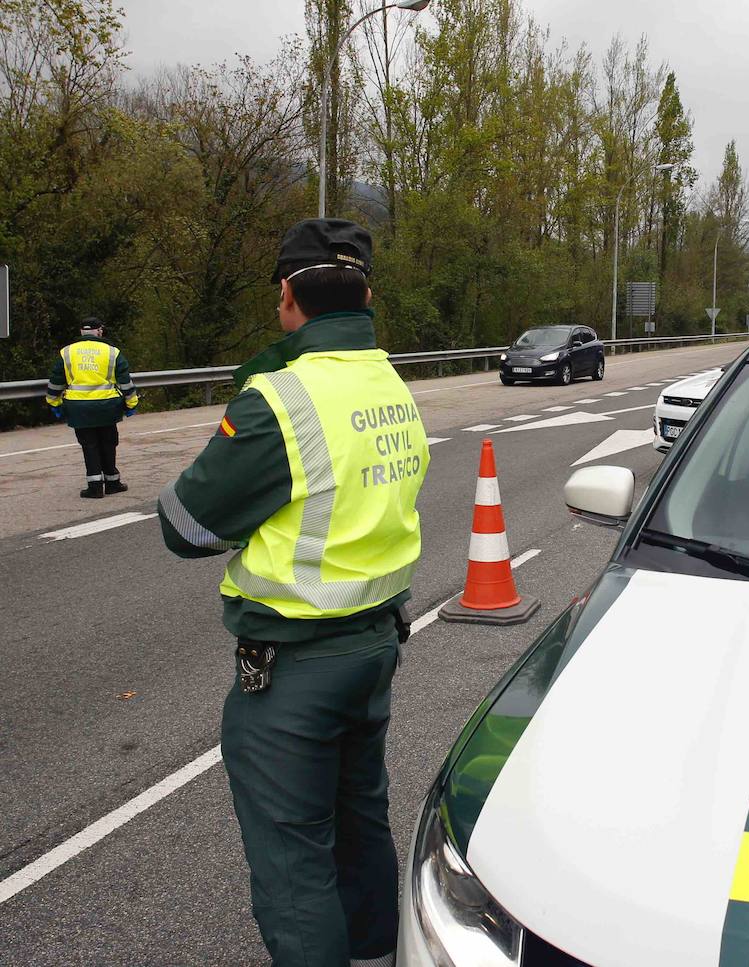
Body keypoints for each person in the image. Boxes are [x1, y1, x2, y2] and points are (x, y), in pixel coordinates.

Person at [156, 218, 430, 967]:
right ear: (366, 293)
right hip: (374, 647)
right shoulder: (390, 383)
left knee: (292, 863)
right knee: (359, 826)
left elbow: (183, 523)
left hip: (293, 668)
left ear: (286, 294)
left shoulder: (278, 399)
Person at [45, 317, 139, 497]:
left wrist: (54, 403)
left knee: (89, 446)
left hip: (79, 409)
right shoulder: (112, 352)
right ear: (99, 331)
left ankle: (95, 487)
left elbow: (56, 382)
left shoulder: (66, 353)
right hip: (107, 407)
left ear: (81, 331)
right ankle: (113, 483)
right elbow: (125, 382)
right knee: (109, 443)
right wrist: (131, 404)